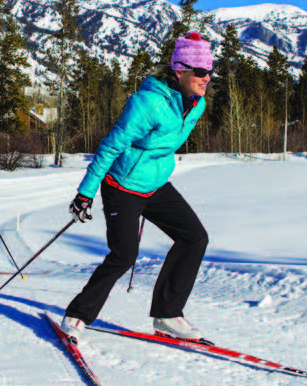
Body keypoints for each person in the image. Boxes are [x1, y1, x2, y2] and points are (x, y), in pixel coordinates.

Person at [62, 32, 213, 342]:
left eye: (210, 71)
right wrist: (85, 192)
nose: (206, 77)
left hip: (155, 184)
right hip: (122, 185)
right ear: (180, 70)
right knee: (124, 253)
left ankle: (168, 314)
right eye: (199, 71)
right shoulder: (148, 103)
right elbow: (110, 146)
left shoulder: (197, 104)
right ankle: (77, 314)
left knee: (195, 237)